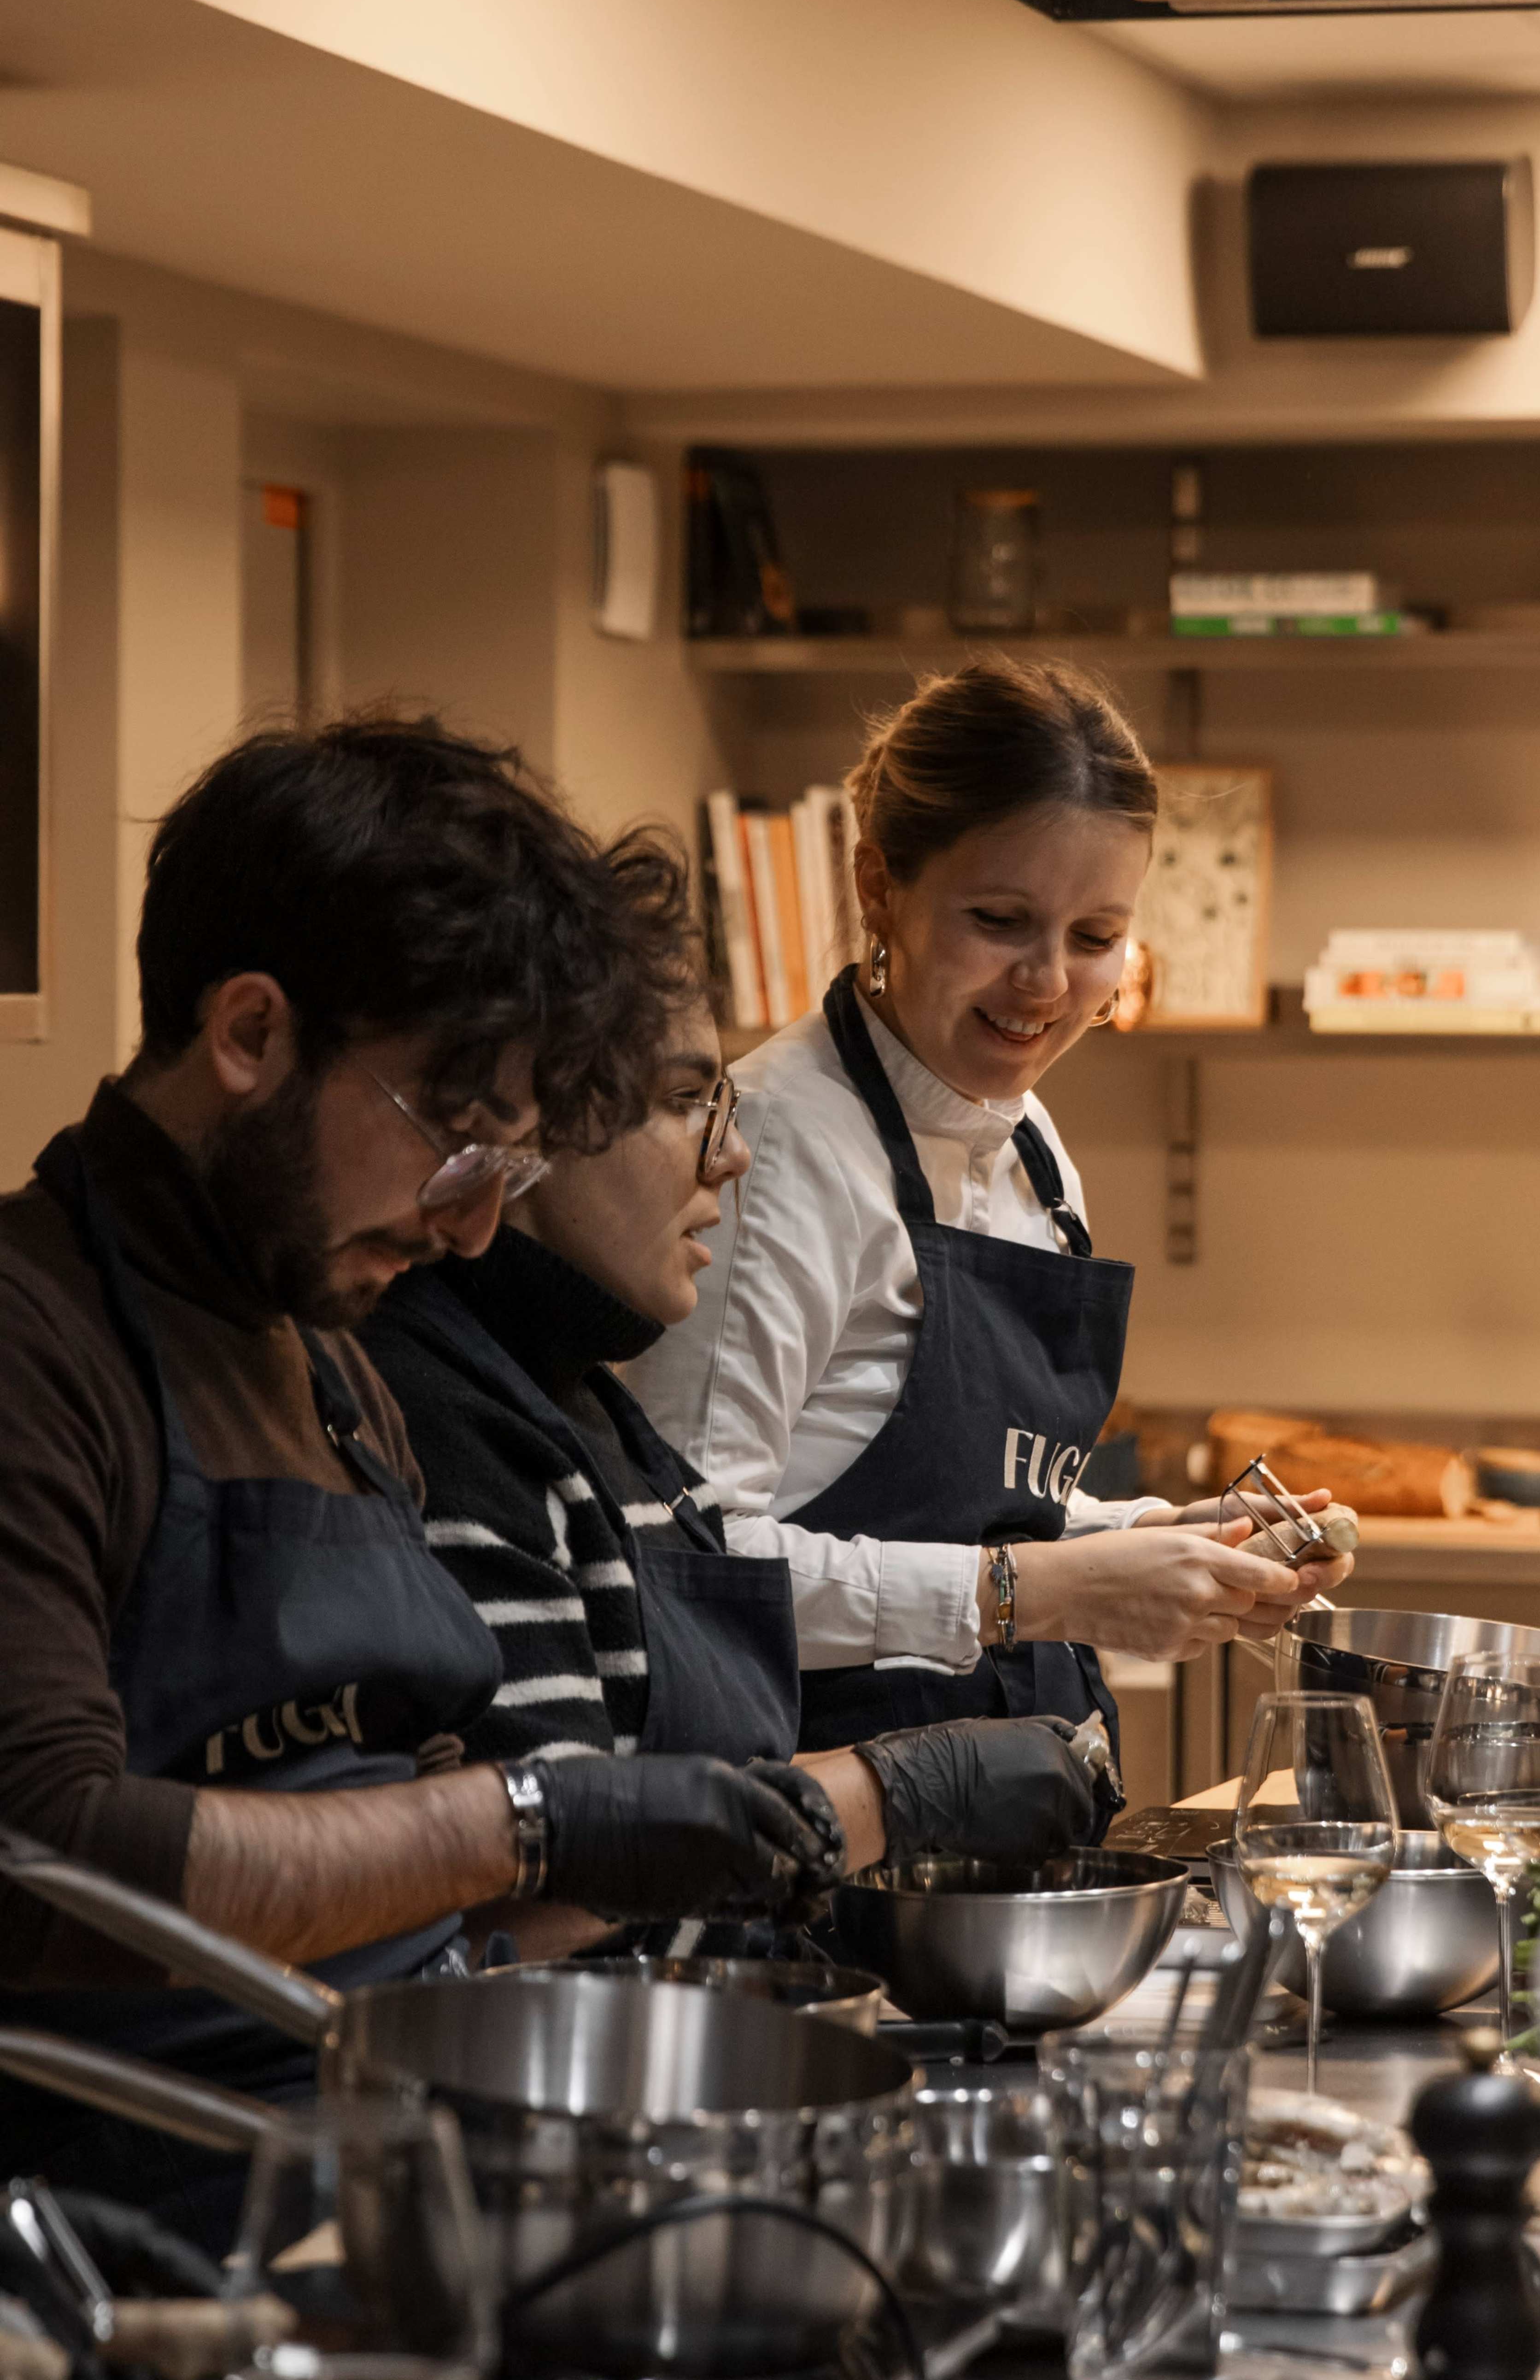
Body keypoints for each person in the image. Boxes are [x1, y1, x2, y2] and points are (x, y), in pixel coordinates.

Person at [0, 717, 839, 2238]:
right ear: (251, 1035)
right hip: (119, 2251)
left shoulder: (333, 1362)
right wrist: (535, 1817)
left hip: (382, 2183)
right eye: (451, 1146)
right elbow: (57, 1861)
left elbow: (418, 1843)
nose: (466, 1230)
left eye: (503, 1177)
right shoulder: (32, 1346)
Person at [358, 834, 1118, 1965]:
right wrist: (888, 1790)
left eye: (1097, 937)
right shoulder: (458, 1431)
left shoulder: (595, 1417)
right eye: (681, 1101)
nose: (730, 1157)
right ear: (513, 1126)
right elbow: (540, 1909)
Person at [631, 658, 1354, 1755]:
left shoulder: (1033, 1147)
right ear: (881, 888)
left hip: (1016, 1801)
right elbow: (687, 1566)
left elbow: (981, 1515)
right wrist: (1037, 1594)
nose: (1049, 984)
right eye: (1002, 919)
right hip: (817, 1820)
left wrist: (1172, 1540)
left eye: (1094, 937)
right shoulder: (777, 1148)